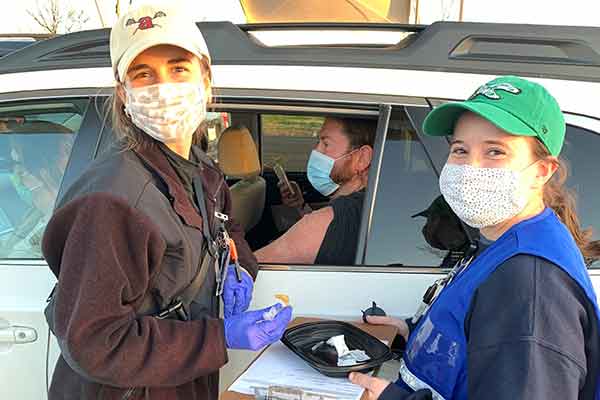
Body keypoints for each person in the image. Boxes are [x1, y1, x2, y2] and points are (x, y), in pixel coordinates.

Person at [41, 3, 292, 400]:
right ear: (123, 94)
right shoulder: (112, 200)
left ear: (205, 80)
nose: (164, 88)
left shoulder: (201, 171)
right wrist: (219, 336)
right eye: (144, 75)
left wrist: (237, 269)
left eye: (178, 68)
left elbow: (227, 229)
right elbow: (94, 342)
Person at [349, 76, 600, 400]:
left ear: (541, 171)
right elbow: (478, 343)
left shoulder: (529, 287)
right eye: (460, 150)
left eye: (495, 151)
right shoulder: (502, 241)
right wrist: (411, 332)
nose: (470, 168)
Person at [255, 117, 376, 265]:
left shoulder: (326, 221)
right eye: (318, 142)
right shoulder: (372, 205)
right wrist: (300, 206)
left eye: (326, 144)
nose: (316, 151)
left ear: (362, 158)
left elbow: (245, 269)